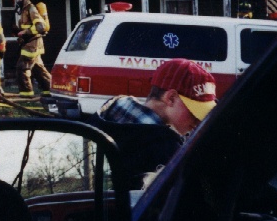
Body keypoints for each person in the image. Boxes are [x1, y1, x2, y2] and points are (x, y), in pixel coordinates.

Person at [86, 57, 217, 189]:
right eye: (195, 112)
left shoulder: (107, 115)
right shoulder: (167, 149)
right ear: (171, 98)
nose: (199, 121)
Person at [12, 0, 52, 98]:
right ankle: (49, 90)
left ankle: (26, 94)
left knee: (22, 68)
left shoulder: (31, 9)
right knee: (38, 69)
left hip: (32, 45)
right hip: (31, 44)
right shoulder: (25, 10)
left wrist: (25, 32)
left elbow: (41, 27)